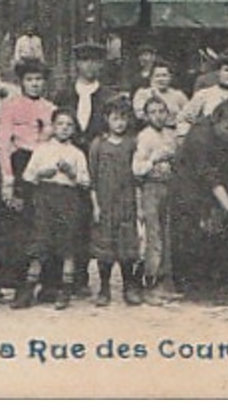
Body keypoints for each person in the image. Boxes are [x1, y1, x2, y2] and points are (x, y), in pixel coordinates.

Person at [167, 98, 228, 294]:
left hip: (212, 187)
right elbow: (210, 177)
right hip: (187, 189)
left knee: (214, 234)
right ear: (216, 122)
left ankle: (212, 281)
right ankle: (186, 285)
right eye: (227, 128)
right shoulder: (199, 137)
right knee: (189, 234)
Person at [16, 109, 91, 310]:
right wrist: (42, 173)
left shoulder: (77, 153)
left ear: (74, 129)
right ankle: (28, 289)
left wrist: (71, 173)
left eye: (69, 125)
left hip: (68, 199)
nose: (64, 128)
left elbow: (85, 182)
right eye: (60, 124)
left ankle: (65, 290)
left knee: (67, 245)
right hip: (45, 197)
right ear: (53, 126)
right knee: (40, 242)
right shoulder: (42, 149)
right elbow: (28, 176)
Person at [0, 58, 57, 297]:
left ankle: (48, 282)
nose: (34, 84)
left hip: (43, 163)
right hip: (19, 163)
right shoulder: (11, 107)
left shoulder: (50, 108)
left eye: (38, 79)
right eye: (29, 79)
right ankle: (21, 282)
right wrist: (8, 178)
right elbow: (3, 142)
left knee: (45, 221)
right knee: (21, 225)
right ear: (21, 82)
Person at [88, 97, 143, 306]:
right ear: (106, 120)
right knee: (105, 248)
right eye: (115, 119)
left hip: (127, 202)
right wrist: (95, 205)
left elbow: (137, 175)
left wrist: (137, 204)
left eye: (123, 119)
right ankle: (104, 289)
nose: (119, 123)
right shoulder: (98, 145)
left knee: (127, 248)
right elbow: (92, 179)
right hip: (105, 203)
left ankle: (129, 287)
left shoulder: (132, 143)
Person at [132, 94, 178, 297]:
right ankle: (150, 282)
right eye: (153, 112)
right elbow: (137, 169)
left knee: (168, 234)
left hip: (169, 187)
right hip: (151, 188)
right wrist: (154, 159)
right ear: (146, 115)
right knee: (154, 236)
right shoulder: (144, 136)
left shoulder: (170, 135)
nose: (158, 116)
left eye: (161, 112)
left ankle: (165, 280)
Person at [180, 50, 228, 135]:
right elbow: (183, 119)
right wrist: (184, 136)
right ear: (219, 72)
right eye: (227, 70)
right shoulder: (204, 94)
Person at [55, 43, 117, 145]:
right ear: (77, 64)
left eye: (94, 61)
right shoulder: (64, 95)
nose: (89, 65)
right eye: (84, 60)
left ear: (100, 64)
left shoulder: (109, 97)